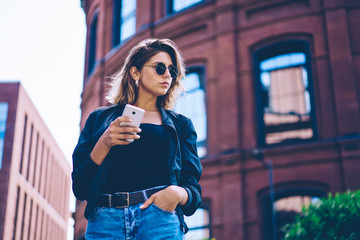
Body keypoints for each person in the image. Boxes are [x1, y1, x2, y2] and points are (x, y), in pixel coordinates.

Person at [72, 38, 202, 239]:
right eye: (160, 68)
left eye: (172, 70)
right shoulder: (99, 119)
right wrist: (105, 142)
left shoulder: (181, 125)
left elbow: (193, 190)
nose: (167, 74)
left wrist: (176, 194)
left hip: (159, 219)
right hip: (105, 223)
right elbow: (80, 188)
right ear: (135, 72)